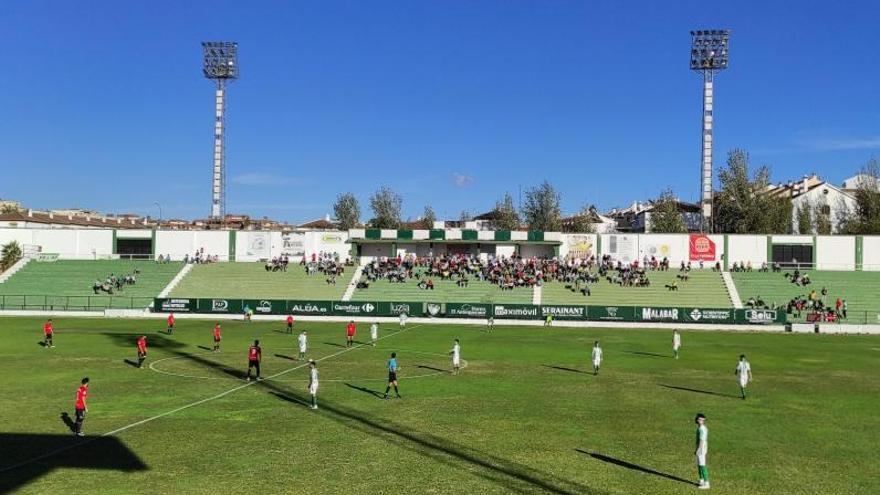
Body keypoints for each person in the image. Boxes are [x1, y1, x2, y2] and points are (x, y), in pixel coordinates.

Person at [694, 413, 710, 489]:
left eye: (702, 420)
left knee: (702, 465)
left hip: (701, 449)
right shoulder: (699, 428)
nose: (700, 421)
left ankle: (706, 483)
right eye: (699, 419)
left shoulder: (702, 429)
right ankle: (701, 480)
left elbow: (701, 440)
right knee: (699, 464)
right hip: (700, 448)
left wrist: (698, 450)